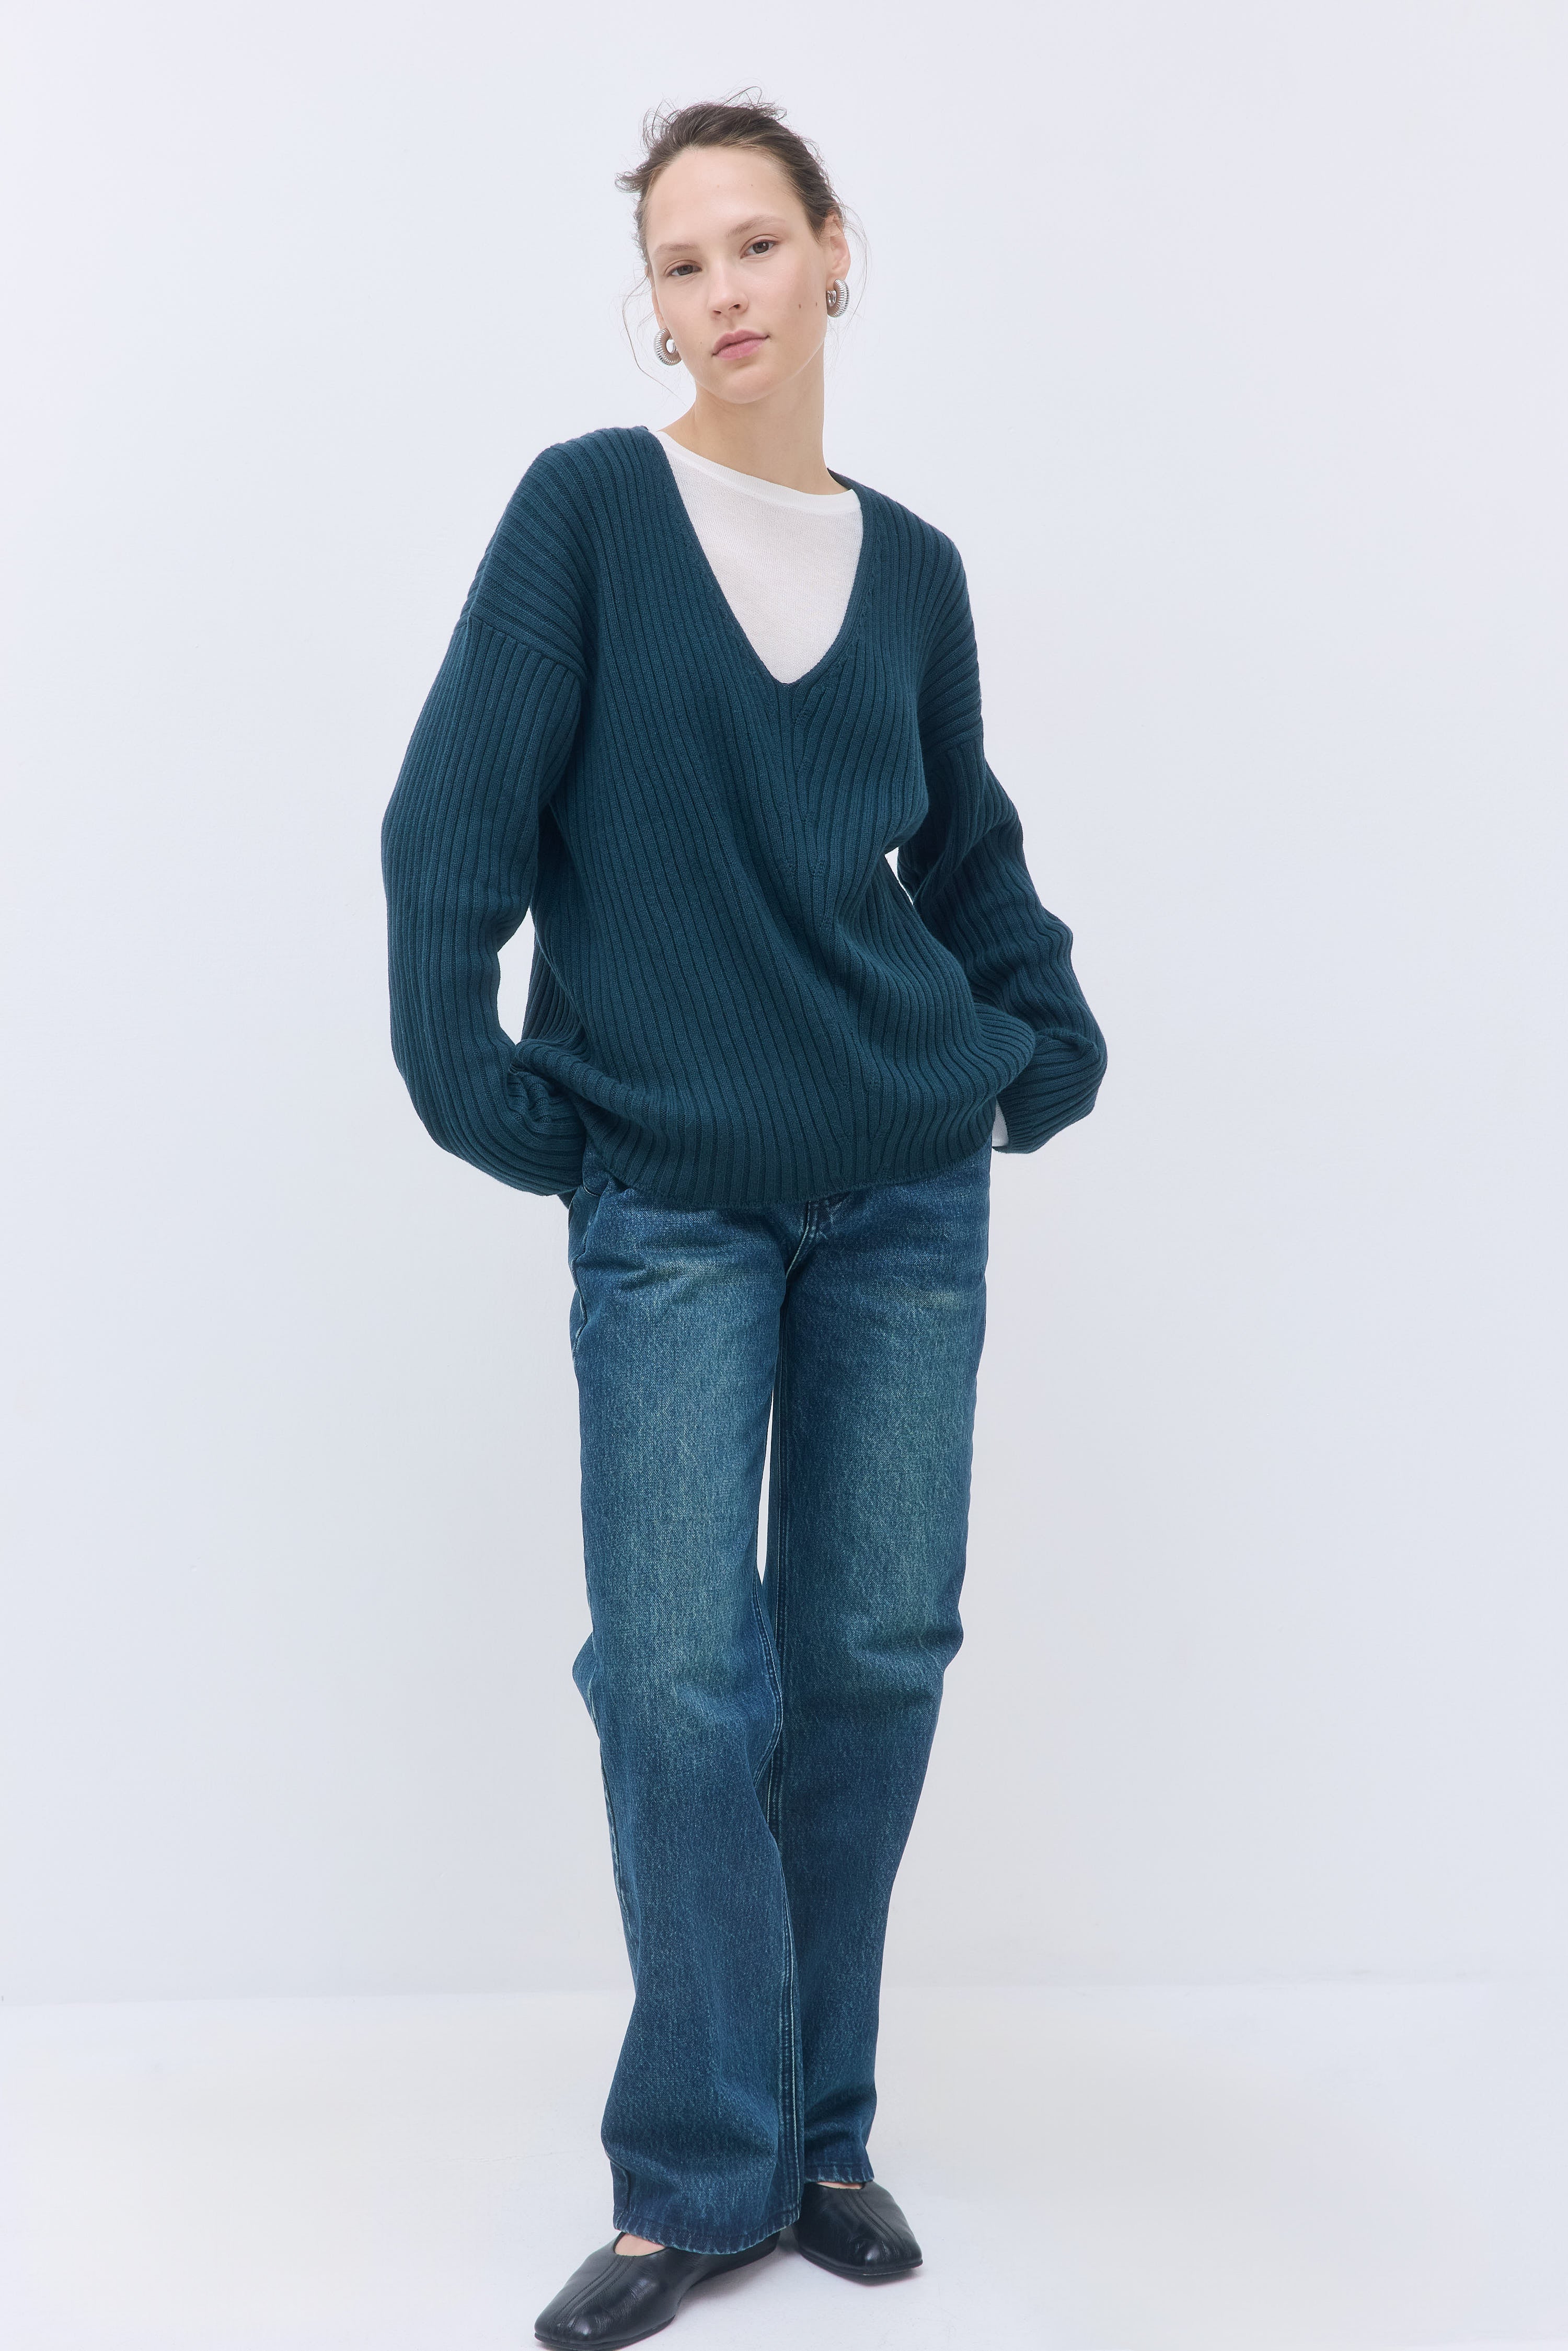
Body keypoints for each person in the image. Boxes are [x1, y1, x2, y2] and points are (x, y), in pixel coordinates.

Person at [381, 95, 1106, 2350]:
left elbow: (963, 854)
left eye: (755, 245)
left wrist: (1038, 1041)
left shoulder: (917, 568)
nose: (722, 293)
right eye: (681, 263)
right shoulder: (590, 515)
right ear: (658, 305)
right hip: (674, 1200)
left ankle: (822, 2136)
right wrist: (503, 1105)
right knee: (684, 1682)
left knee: (872, 1656)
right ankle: (699, 2169)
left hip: (904, 1190)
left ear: (834, 253)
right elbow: (446, 835)